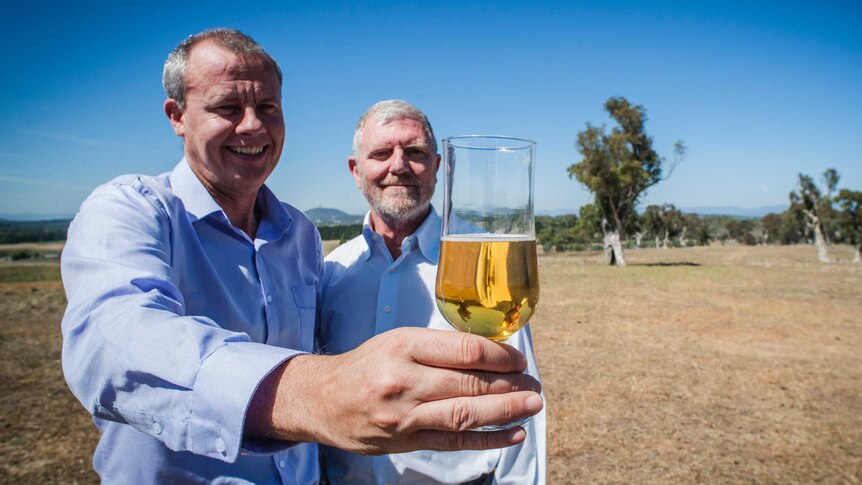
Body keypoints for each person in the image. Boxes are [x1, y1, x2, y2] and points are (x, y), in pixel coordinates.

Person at [60, 30, 543, 484]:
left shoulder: (302, 238)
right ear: (177, 116)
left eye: (267, 106)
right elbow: (112, 340)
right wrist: (314, 395)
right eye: (228, 106)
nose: (252, 125)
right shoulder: (131, 209)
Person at [320, 100, 546, 484]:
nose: (398, 165)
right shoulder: (330, 273)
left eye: (415, 153)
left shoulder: (483, 261)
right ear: (356, 171)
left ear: (439, 168)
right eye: (380, 153)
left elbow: (519, 393)